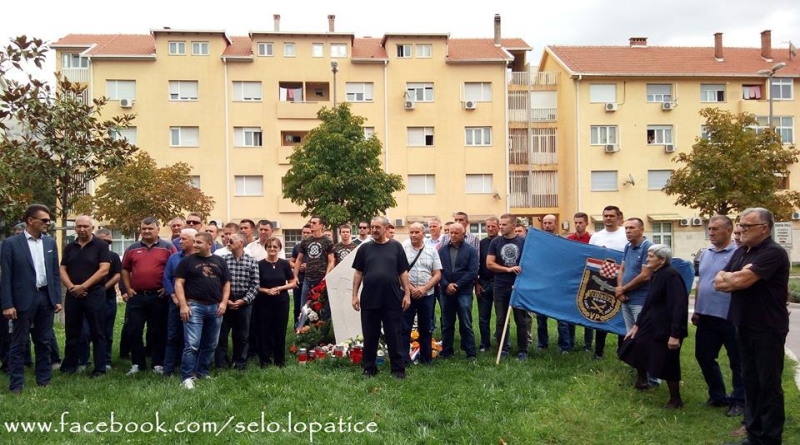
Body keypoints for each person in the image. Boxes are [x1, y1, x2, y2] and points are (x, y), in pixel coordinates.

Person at [715, 208, 789, 445]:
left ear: (764, 229)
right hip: (743, 325)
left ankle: (770, 438)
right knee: (751, 382)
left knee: (768, 385)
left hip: (767, 329)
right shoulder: (742, 252)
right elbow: (719, 281)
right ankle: (754, 434)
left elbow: (739, 280)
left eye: (747, 226)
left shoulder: (773, 253)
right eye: (741, 225)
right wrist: (733, 278)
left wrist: (734, 278)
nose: (741, 230)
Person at [1, 204, 63, 394]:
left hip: (45, 298)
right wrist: (8, 304)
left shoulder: (50, 243)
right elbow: (6, 276)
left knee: (44, 341)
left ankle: (43, 380)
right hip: (22, 300)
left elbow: (54, 273)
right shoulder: (11, 244)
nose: (48, 223)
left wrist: (57, 299)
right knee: (19, 343)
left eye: (49, 220)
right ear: (30, 220)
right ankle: (16, 384)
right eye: (44, 220)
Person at [622, 244, 688, 409]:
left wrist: (675, 334)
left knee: (669, 361)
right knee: (636, 345)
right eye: (648, 255)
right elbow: (649, 302)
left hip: (667, 327)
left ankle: (675, 399)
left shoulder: (671, 276)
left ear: (662, 259)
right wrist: (637, 325)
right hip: (651, 323)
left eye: (651, 256)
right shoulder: (656, 274)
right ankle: (642, 381)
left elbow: (679, 306)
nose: (647, 259)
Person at [693, 215, 744, 417]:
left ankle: (740, 401)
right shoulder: (706, 253)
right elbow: (701, 283)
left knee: (737, 361)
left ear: (729, 230)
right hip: (706, 316)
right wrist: (697, 309)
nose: (711, 232)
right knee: (704, 356)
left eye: (715, 229)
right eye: (709, 229)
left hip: (730, 317)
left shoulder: (739, 253)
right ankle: (717, 395)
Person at [351, 217, 411, 378]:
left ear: (386, 228)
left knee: (394, 335)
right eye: (372, 227)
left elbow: (403, 272)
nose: (374, 230)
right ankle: (369, 369)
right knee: (370, 335)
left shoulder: (396, 247)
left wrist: (407, 293)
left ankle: (398, 370)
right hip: (370, 298)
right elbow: (358, 273)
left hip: (392, 298)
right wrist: (354, 295)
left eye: (378, 227)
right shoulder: (364, 249)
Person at [121, 217, 176, 376]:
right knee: (134, 330)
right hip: (137, 297)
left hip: (159, 296)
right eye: (143, 229)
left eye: (150, 228)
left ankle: (158, 363)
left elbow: (175, 269)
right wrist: (128, 288)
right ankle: (137, 364)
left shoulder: (168, 247)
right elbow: (124, 269)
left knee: (157, 331)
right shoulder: (132, 248)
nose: (146, 231)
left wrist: (168, 289)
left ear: (158, 229)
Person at [174, 232, 230, 390]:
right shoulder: (187, 261)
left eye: (198, 242)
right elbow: (178, 283)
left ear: (209, 244)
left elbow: (226, 283)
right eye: (194, 242)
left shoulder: (219, 261)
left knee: (211, 344)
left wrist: (224, 303)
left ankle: (202, 372)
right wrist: (183, 305)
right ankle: (187, 376)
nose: (195, 245)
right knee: (192, 344)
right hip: (194, 307)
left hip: (215, 307)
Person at [59, 215, 110, 377]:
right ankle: (69, 366)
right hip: (73, 293)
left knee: (97, 332)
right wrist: (71, 287)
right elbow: (62, 269)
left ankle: (99, 368)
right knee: (72, 331)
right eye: (79, 226)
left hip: (94, 293)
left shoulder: (101, 246)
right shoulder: (70, 247)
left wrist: (84, 286)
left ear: (92, 228)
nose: (82, 229)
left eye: (85, 226)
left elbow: (104, 269)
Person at [488, 214, 529, 359]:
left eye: (504, 224)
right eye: (500, 224)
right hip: (500, 286)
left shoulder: (523, 242)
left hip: (518, 286)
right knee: (501, 319)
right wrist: (507, 269)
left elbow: (529, 263)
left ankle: (523, 350)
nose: (501, 227)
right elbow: (490, 263)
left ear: (513, 225)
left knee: (521, 320)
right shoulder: (495, 242)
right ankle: (503, 348)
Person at [589, 205, 627, 360]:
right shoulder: (596, 237)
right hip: (601, 281)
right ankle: (598, 351)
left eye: (612, 216)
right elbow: (590, 257)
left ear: (618, 217)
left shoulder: (626, 234)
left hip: (623, 281)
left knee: (622, 316)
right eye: (606, 216)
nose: (608, 218)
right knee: (601, 313)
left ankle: (622, 351)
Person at [400, 222, 442, 365]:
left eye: (417, 232)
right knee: (405, 327)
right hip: (407, 294)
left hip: (427, 295)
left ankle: (426, 358)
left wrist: (424, 289)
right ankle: (404, 359)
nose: (413, 235)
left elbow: (437, 274)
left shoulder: (432, 250)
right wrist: (410, 289)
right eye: (411, 232)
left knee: (426, 327)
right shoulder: (402, 249)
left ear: (424, 234)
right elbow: (398, 272)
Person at [216, 233, 259, 370]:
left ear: (241, 243)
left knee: (242, 335)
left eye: (231, 240)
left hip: (244, 301)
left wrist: (244, 300)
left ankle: (239, 362)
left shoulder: (251, 261)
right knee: (222, 334)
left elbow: (255, 284)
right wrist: (225, 300)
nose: (228, 241)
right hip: (226, 300)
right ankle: (221, 363)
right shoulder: (223, 260)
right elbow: (218, 282)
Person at [437, 222, 478, 360]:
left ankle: (470, 352)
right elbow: (437, 271)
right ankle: (446, 351)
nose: (453, 235)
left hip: (464, 292)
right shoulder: (441, 250)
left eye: (456, 233)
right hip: (445, 292)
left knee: (466, 323)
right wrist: (446, 285)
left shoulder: (471, 250)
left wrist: (456, 285)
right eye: (451, 232)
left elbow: (473, 272)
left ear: (463, 234)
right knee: (447, 323)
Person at [255, 237, 296, 367]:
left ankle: (280, 361)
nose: (272, 249)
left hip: (281, 301)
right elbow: (254, 285)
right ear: (265, 248)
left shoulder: (284, 264)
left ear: (279, 248)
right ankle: (265, 361)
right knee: (264, 330)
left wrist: (280, 288)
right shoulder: (259, 264)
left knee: (280, 330)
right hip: (263, 301)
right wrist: (266, 290)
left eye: (275, 246)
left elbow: (293, 282)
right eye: (269, 246)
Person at [162, 228, 196, 376]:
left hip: (195, 304)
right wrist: (175, 298)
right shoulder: (174, 257)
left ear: (194, 241)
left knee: (192, 339)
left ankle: (189, 369)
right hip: (175, 303)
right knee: (173, 336)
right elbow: (167, 278)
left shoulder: (201, 259)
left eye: (184, 239)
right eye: (180, 238)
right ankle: (168, 370)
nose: (180, 241)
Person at [293, 216, 334, 315]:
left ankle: (322, 329)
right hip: (308, 279)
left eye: (314, 223)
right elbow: (298, 259)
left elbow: (331, 261)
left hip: (322, 279)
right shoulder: (306, 241)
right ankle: (304, 329)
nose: (311, 224)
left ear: (321, 225)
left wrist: (326, 276)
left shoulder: (328, 241)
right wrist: (294, 276)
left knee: (323, 307)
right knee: (304, 307)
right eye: (311, 222)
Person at [95, 228, 123, 370]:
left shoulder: (113, 256)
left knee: (107, 331)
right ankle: (83, 361)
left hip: (108, 297)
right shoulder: (89, 254)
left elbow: (117, 275)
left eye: (109, 242)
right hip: (89, 297)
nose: (106, 244)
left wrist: (103, 288)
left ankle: (106, 360)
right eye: (103, 241)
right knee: (85, 331)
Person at [566, 212, 594, 351]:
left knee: (587, 312)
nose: (577, 225)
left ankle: (588, 345)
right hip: (573, 279)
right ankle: (570, 342)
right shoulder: (569, 239)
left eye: (580, 222)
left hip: (589, 280)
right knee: (571, 312)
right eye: (575, 222)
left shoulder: (592, 239)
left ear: (586, 223)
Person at [476, 216, 498, 352]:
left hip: (499, 283)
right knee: (483, 317)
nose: (490, 229)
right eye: (488, 226)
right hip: (483, 283)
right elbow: (475, 265)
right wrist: (476, 283)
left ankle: (502, 344)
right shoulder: (480, 244)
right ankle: (485, 344)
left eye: (493, 226)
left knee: (500, 317)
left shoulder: (502, 242)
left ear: (498, 227)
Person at [290, 224, 312, 322]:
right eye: (304, 232)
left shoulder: (315, 246)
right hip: (299, 279)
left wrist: (308, 267)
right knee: (298, 304)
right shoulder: (297, 247)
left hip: (312, 279)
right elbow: (291, 261)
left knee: (311, 305)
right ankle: (298, 327)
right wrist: (298, 267)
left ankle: (311, 328)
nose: (305, 234)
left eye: (308, 232)